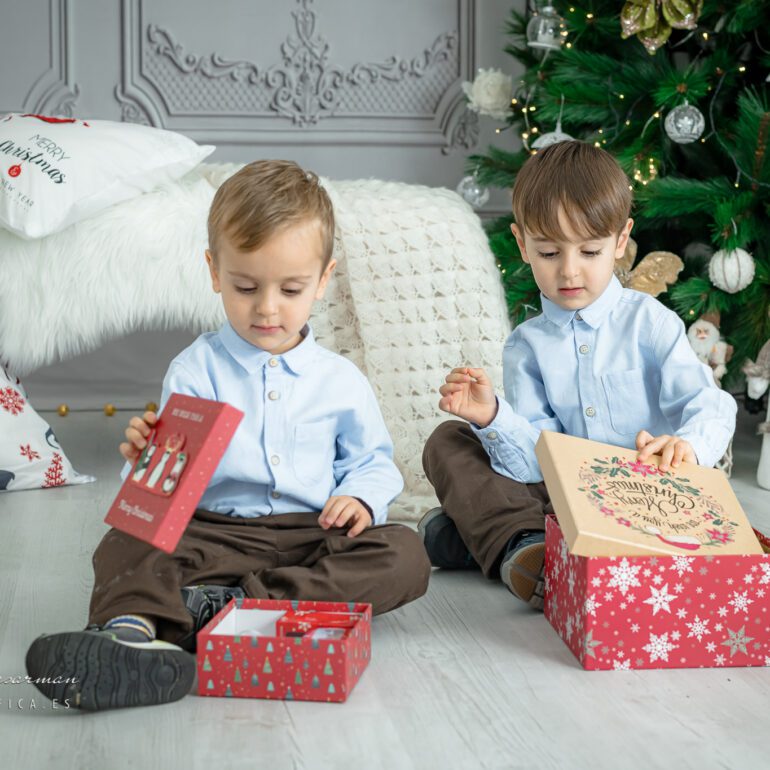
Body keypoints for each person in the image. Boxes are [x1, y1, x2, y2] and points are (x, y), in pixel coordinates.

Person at [26, 160, 430, 711]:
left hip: (308, 537)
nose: (267, 308)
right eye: (245, 287)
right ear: (215, 272)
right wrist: (147, 456)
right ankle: (128, 633)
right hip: (210, 533)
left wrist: (361, 496)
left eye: (290, 288)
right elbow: (162, 487)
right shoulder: (196, 370)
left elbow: (374, 462)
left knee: (404, 553)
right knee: (126, 542)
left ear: (324, 280)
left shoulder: (340, 381)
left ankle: (225, 608)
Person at [419, 140, 736, 610]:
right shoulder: (526, 345)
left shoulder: (650, 322)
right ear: (523, 244)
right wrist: (490, 417)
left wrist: (687, 445)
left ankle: (496, 539)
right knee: (448, 440)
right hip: (561, 499)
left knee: (442, 529)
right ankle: (528, 549)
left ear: (620, 241)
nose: (569, 271)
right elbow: (531, 462)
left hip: (649, 495)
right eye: (549, 253)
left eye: (590, 251)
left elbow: (711, 403)